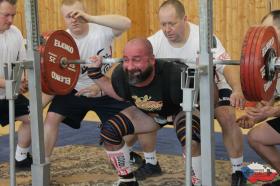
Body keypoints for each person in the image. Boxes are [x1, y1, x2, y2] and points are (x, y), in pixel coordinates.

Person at [125, 0, 246, 185]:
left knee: (226, 115)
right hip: (179, 92)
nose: (167, 29)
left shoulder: (203, 37)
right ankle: (150, 162)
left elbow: (227, 68)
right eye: (163, 24)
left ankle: (238, 170)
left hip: (213, 85)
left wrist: (237, 90)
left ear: (185, 19)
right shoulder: (155, 41)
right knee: (143, 108)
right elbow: (133, 64)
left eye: (172, 23)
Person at [87, 37, 202, 186]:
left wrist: (206, 72)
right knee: (109, 132)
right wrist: (95, 74)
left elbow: (206, 102)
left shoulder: (175, 75)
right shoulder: (120, 75)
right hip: (148, 114)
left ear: (152, 60)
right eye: (126, 60)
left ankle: (198, 182)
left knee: (190, 141)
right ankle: (127, 180)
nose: (129, 66)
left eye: (136, 60)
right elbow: (119, 95)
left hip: (180, 110)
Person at [43, 0, 133, 164]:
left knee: (134, 118)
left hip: (104, 88)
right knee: (51, 118)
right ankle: (44, 163)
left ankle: (127, 152)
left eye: (77, 14)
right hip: (75, 89)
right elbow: (53, 79)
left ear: (84, 13)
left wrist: (90, 18)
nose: (73, 19)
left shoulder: (101, 31)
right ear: (63, 19)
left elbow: (126, 23)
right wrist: (35, 107)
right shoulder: (62, 41)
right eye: (68, 16)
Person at [237, 9, 280, 186]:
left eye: (269, 31)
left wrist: (275, 110)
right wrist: (255, 115)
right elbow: (271, 93)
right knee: (256, 137)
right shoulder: (272, 60)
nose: (265, 38)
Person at [0, 0, 32, 170]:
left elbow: (22, 62)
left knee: (33, 118)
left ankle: (21, 157)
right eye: (6, 15)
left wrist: (23, 79)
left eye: (13, 15)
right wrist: (10, 83)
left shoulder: (16, 33)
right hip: (7, 87)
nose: (11, 20)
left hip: (9, 93)